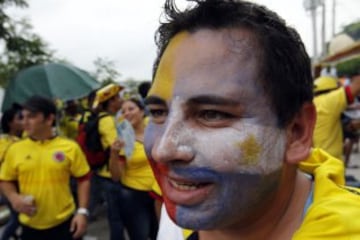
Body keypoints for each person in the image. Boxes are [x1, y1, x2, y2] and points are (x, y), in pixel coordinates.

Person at [143, 0, 360, 239]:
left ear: (296, 132)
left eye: (211, 114)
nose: (163, 150)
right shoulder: (180, 210)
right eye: (158, 112)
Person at [0, 95, 90, 240]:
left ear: (49, 119)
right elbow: (5, 179)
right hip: (30, 226)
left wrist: (82, 211)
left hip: (65, 224)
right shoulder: (14, 149)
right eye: (23, 117)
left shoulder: (70, 147)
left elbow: (83, 179)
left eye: (32, 117)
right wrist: (14, 198)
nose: (25, 122)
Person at [109, 98, 159, 240]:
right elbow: (115, 177)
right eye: (123, 111)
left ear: (142, 111)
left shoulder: (156, 132)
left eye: (131, 109)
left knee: (160, 234)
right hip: (134, 196)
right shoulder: (123, 140)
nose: (127, 113)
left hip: (159, 194)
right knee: (140, 236)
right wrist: (113, 154)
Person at [91, 83, 126, 240]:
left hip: (109, 173)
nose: (121, 100)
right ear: (111, 102)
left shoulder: (111, 119)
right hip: (110, 174)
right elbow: (117, 146)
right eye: (118, 98)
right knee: (116, 218)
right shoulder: (107, 121)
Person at [313, 74, 360, 162]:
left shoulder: (315, 103)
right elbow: (357, 85)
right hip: (328, 163)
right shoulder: (329, 101)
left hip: (316, 161)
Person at [0, 104, 24, 240]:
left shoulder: (19, 140)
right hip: (10, 188)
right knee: (17, 219)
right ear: (10, 123)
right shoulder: (5, 142)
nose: (23, 121)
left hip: (19, 186)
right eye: (19, 118)